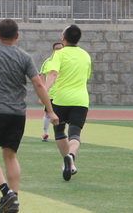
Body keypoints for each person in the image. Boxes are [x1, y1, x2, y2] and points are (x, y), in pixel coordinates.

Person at [0, 18, 59, 213]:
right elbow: (38, 84)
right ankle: (14, 199)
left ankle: (6, 192)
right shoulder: (24, 56)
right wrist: (49, 110)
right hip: (17, 114)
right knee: (10, 156)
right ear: (17, 36)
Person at [44, 24, 92, 182]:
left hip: (61, 99)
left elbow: (52, 73)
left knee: (59, 131)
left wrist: (44, 91)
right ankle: (71, 158)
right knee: (75, 133)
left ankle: (68, 160)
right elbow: (87, 76)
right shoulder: (85, 55)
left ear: (63, 37)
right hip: (81, 100)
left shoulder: (59, 54)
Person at [38, 42, 64, 141]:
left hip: (62, 93)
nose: (59, 50)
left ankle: (63, 134)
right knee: (47, 112)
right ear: (53, 50)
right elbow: (42, 75)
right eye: (57, 48)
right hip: (51, 93)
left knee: (63, 114)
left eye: (61, 48)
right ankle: (45, 133)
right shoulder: (48, 62)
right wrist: (43, 91)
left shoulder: (67, 61)